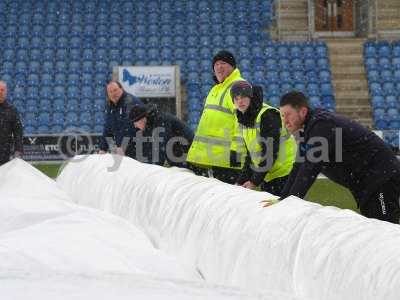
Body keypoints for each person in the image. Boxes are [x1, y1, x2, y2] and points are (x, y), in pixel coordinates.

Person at [278, 91, 400, 224]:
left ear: (302, 111)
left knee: (384, 227)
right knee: (375, 226)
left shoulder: (321, 125)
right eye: (282, 115)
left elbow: (310, 167)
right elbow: (299, 165)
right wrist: (283, 198)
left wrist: (292, 202)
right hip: (368, 183)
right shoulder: (308, 130)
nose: (285, 121)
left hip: (381, 177)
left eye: (288, 115)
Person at [186, 50, 247, 184]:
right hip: (212, 158)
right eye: (216, 64)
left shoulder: (238, 86)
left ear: (233, 66)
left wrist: (237, 151)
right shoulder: (215, 89)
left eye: (223, 63)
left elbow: (243, 121)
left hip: (227, 160)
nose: (219, 67)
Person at [231, 81, 296, 196]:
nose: (240, 101)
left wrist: (254, 181)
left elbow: (270, 153)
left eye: (243, 97)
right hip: (269, 175)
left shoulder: (267, 115)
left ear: (251, 98)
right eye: (236, 98)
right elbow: (251, 156)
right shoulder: (245, 119)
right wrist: (239, 182)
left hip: (286, 174)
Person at [126, 104, 194, 169]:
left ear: (142, 119)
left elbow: (160, 149)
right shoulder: (149, 124)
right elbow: (148, 150)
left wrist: (152, 169)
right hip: (179, 157)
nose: (135, 126)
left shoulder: (160, 122)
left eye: (135, 123)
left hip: (190, 157)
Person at [99, 81, 143, 155]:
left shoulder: (130, 102)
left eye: (115, 90)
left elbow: (130, 127)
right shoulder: (110, 106)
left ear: (121, 89)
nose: (113, 93)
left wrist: (123, 146)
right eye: (110, 92)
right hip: (124, 150)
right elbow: (108, 128)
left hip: (139, 147)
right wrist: (103, 148)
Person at [0, 81, 23, 166]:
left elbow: (18, 132)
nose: (0, 92)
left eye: (2, 90)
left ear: (6, 92)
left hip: (5, 154)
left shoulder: (12, 110)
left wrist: (18, 150)